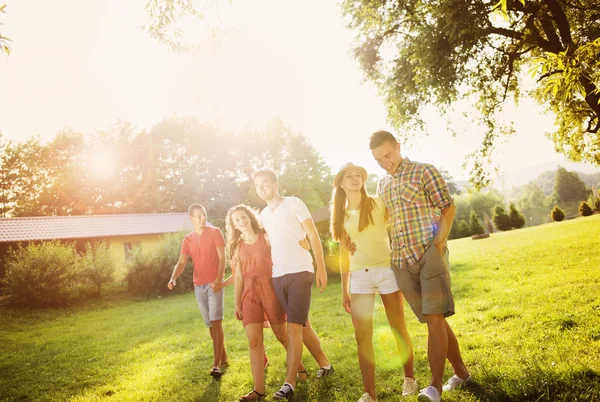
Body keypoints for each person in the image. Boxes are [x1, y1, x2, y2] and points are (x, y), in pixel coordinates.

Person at [369, 131, 471, 402]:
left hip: (428, 252)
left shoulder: (425, 171)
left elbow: (447, 207)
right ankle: (461, 373)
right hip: (401, 261)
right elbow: (383, 222)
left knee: (435, 317)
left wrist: (438, 243)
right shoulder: (382, 185)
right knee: (430, 318)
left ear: (398, 147)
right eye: (379, 159)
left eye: (388, 155)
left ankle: (434, 387)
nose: (385, 162)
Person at [330, 162, 418, 402]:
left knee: (398, 326)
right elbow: (344, 254)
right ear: (340, 182)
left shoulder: (378, 202)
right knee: (362, 336)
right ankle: (370, 393)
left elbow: (399, 220)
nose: (354, 178)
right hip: (360, 277)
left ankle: (409, 379)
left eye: (358, 175)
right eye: (348, 175)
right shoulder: (341, 214)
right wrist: (345, 289)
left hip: (386, 271)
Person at [253, 167, 334, 401]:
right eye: (258, 185)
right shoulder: (264, 215)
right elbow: (271, 242)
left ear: (276, 183)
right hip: (279, 275)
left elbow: (312, 234)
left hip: (300, 270)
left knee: (294, 327)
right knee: (303, 323)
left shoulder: (294, 203)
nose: (262, 188)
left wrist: (320, 266)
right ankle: (326, 365)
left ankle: (289, 384)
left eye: (266, 183)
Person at [220, 204, 308, 401]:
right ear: (233, 225)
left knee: (283, 337)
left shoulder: (266, 237)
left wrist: (304, 245)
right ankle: (258, 390)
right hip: (249, 296)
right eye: (236, 220)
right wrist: (236, 303)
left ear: (249, 217)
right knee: (254, 341)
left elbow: (284, 254)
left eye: (243, 217)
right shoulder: (236, 247)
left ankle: (300, 367)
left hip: (271, 291)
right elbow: (239, 277)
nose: (241, 222)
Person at [167, 203, 228, 379]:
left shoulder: (215, 232)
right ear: (191, 218)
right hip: (198, 286)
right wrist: (173, 278)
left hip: (213, 284)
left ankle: (216, 365)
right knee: (210, 324)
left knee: (216, 322)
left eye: (204, 214)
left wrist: (218, 279)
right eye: (199, 215)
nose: (203, 217)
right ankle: (223, 358)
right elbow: (181, 263)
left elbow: (223, 257)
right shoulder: (188, 239)